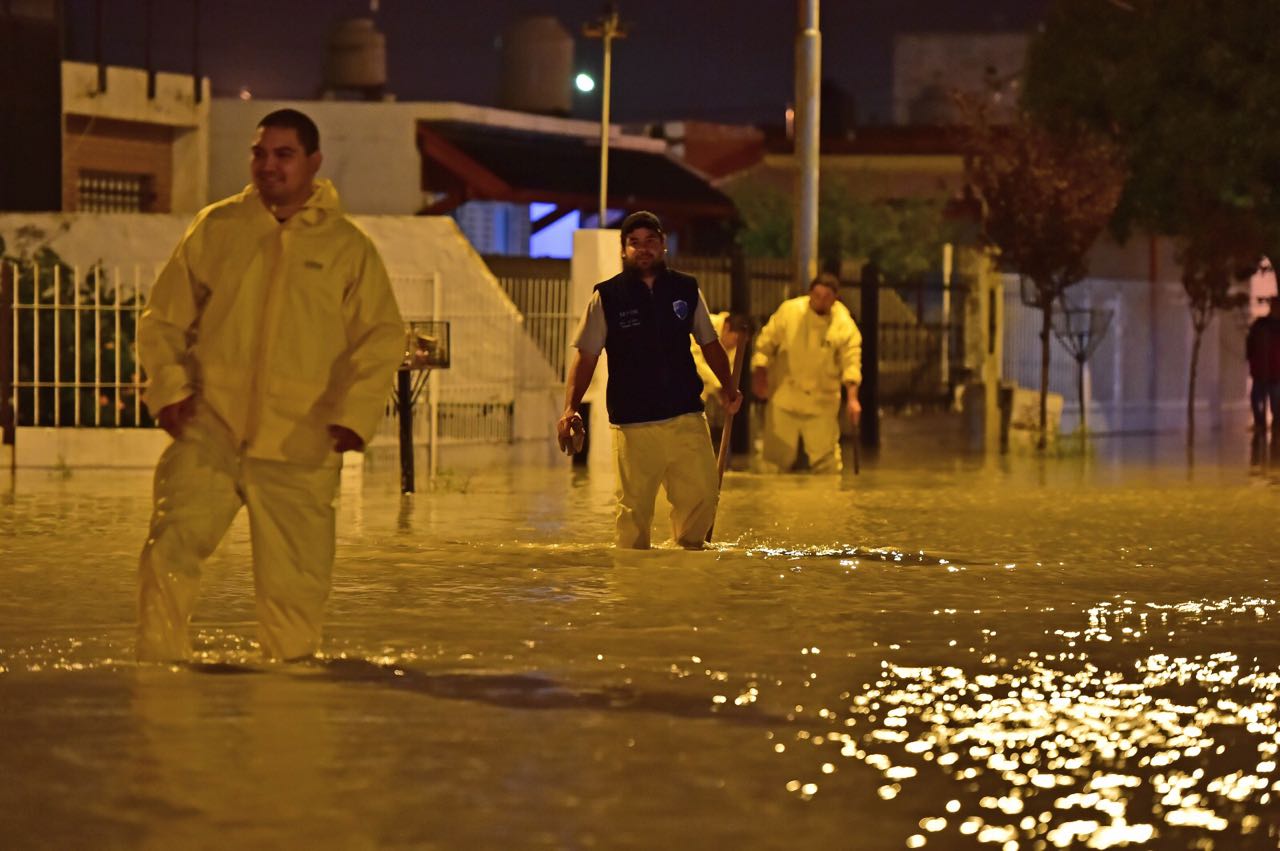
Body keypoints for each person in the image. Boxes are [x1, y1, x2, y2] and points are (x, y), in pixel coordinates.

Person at [135, 108, 406, 662]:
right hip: (209, 432)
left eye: (284, 154)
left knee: (294, 590)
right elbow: (162, 318)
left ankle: (289, 712)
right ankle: (159, 678)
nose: (268, 166)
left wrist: (354, 417)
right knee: (169, 552)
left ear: (313, 162)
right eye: (260, 153)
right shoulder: (218, 228)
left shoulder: (347, 248)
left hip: (301, 446)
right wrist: (169, 392)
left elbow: (379, 339)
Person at [557, 211, 742, 548]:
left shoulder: (687, 289)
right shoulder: (607, 297)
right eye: (634, 243)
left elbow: (709, 343)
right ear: (624, 250)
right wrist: (570, 408)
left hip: (686, 415)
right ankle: (633, 588)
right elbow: (586, 356)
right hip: (633, 423)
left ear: (663, 246)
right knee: (634, 514)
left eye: (650, 241)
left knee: (703, 497)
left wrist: (729, 387)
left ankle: (684, 578)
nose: (643, 249)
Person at [751, 272, 862, 473]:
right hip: (785, 396)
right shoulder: (789, 311)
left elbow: (851, 362)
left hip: (822, 402)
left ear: (835, 298)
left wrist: (853, 399)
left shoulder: (845, 325)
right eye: (817, 295)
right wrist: (760, 374)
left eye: (826, 297)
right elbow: (765, 345)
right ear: (810, 293)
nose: (820, 301)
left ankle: (828, 502)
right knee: (773, 464)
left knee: (827, 466)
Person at [691, 311, 750, 437]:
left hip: (698, 403)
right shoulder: (704, 324)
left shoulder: (733, 346)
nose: (735, 345)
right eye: (735, 340)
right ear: (727, 327)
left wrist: (726, 394)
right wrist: (722, 385)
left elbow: (728, 373)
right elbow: (696, 363)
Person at [1247, 294, 1280, 435]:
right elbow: (1250, 345)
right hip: (1261, 371)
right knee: (1257, 399)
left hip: (1276, 374)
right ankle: (1260, 423)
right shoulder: (1260, 325)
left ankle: (1275, 426)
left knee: (1276, 404)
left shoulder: (1263, 325)